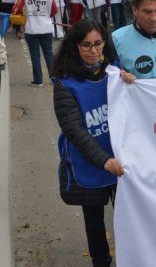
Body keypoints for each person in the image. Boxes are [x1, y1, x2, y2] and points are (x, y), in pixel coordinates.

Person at [52, 19, 123, 267]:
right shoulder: (65, 82)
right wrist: (103, 160)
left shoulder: (115, 71)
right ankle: (101, 261)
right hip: (89, 163)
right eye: (86, 45)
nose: (94, 51)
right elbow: (75, 130)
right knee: (94, 221)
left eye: (98, 44)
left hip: (120, 160)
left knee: (127, 217)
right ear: (75, 46)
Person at [13, 0, 58, 86]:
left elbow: (16, 9)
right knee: (49, 54)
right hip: (46, 28)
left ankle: (38, 81)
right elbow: (54, 10)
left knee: (35, 55)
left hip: (31, 28)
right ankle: (54, 80)